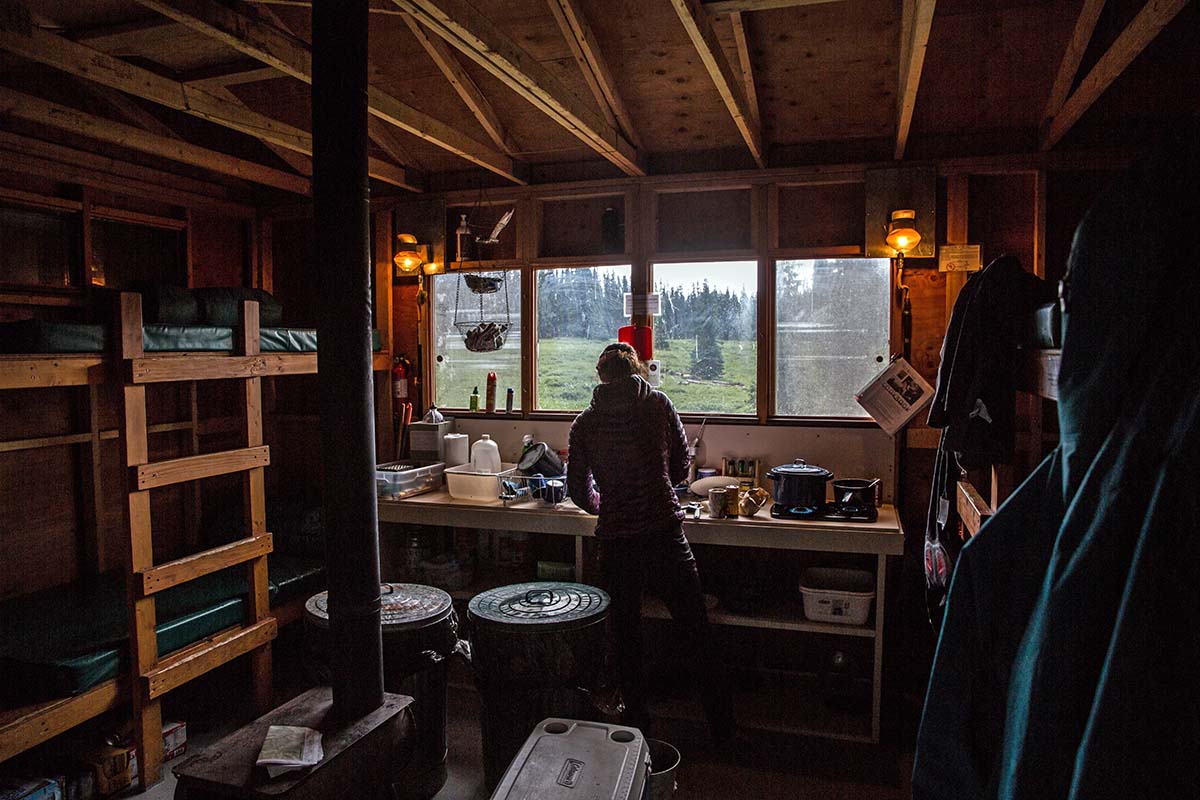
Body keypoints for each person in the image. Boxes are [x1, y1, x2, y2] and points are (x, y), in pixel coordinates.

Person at [567, 341, 734, 742]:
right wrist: (656, 483)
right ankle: (722, 729)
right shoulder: (658, 404)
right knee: (696, 630)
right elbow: (680, 466)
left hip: (617, 540)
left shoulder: (585, 423)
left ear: (601, 376)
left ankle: (638, 733)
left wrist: (606, 503)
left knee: (625, 640)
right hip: (664, 532)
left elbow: (577, 490)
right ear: (637, 370)